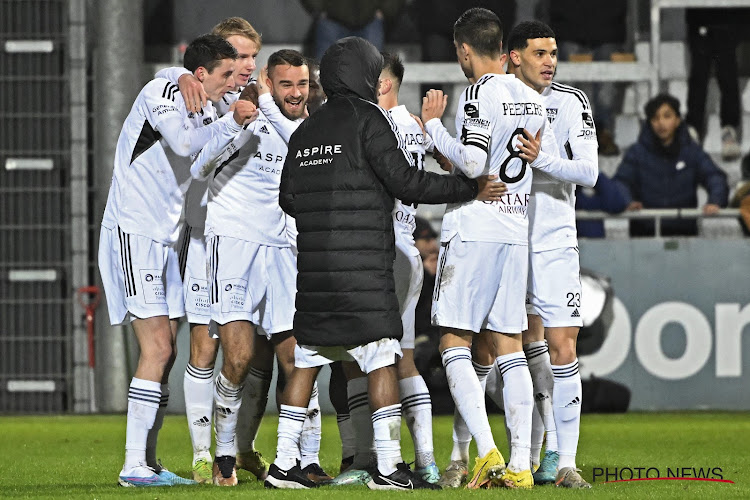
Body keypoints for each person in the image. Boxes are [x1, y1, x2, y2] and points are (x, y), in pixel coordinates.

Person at [268, 35, 505, 491]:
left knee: (307, 361)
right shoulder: (368, 118)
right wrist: (468, 188)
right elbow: (406, 182)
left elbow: (287, 198)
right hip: (363, 268)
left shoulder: (305, 131)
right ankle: (388, 466)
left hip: (315, 269)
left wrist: (325, 221)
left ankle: (282, 464)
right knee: (380, 359)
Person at [98, 33, 256, 488]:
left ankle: (146, 462)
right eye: (226, 72)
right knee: (160, 348)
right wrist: (225, 119)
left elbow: (205, 159)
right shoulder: (164, 90)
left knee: (165, 353)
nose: (232, 81)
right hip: (136, 229)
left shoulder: (208, 106)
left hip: (168, 237)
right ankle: (132, 465)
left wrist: (232, 124)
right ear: (202, 72)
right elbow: (187, 146)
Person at [422, 7, 553, 490]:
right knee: (509, 346)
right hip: (516, 226)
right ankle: (521, 464)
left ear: (464, 50)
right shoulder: (532, 97)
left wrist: (433, 128)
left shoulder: (478, 90)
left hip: (475, 227)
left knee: (453, 340)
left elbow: (475, 161)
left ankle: (486, 451)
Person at [188, 49, 330, 487]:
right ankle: (225, 454)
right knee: (240, 357)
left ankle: (308, 458)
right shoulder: (241, 115)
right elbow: (198, 167)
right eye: (285, 84)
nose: (295, 92)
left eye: (302, 84)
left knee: (300, 358)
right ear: (269, 80)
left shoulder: (310, 128)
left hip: (284, 251)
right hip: (233, 244)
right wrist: (235, 122)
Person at [157, 17, 271, 485]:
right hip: (205, 239)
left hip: (255, 240)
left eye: (250, 57)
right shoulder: (194, 93)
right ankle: (204, 454)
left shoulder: (262, 103)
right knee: (205, 346)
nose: (245, 66)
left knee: (255, 352)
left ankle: (240, 447)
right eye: (237, 57)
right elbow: (169, 79)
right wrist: (180, 74)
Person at [505, 20, 598, 488]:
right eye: (540, 53)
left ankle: (565, 462)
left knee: (562, 347)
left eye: (554, 53)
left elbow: (589, 172)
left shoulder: (570, 102)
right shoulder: (493, 99)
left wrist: (541, 159)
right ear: (514, 56)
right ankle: (494, 455)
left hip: (553, 241)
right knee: (505, 348)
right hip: (503, 236)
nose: (550, 62)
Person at [614, 93, 729, 237]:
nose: (661, 123)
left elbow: (714, 176)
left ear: (678, 120)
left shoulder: (691, 151)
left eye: (667, 116)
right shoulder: (637, 153)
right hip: (644, 233)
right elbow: (621, 181)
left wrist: (715, 201)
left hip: (684, 233)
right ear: (649, 123)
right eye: (655, 118)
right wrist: (627, 201)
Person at [544, 0, 627, 156]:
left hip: (607, 29)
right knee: (570, 91)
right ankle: (575, 136)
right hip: (570, 27)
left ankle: (603, 133)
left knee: (605, 94)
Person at [685, 8, 750, 161]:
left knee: (727, 71)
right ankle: (693, 130)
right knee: (699, 72)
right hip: (700, 16)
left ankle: (729, 129)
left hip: (728, 17)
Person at [300, 0, 405, 60]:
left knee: (373, 79)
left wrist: (386, 10)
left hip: (371, 20)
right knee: (324, 78)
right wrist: (319, 8)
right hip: (330, 20)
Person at [575, 173, 628, 238]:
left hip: (593, 245)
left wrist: (596, 175)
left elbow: (616, 204)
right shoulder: (566, 192)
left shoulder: (585, 196)